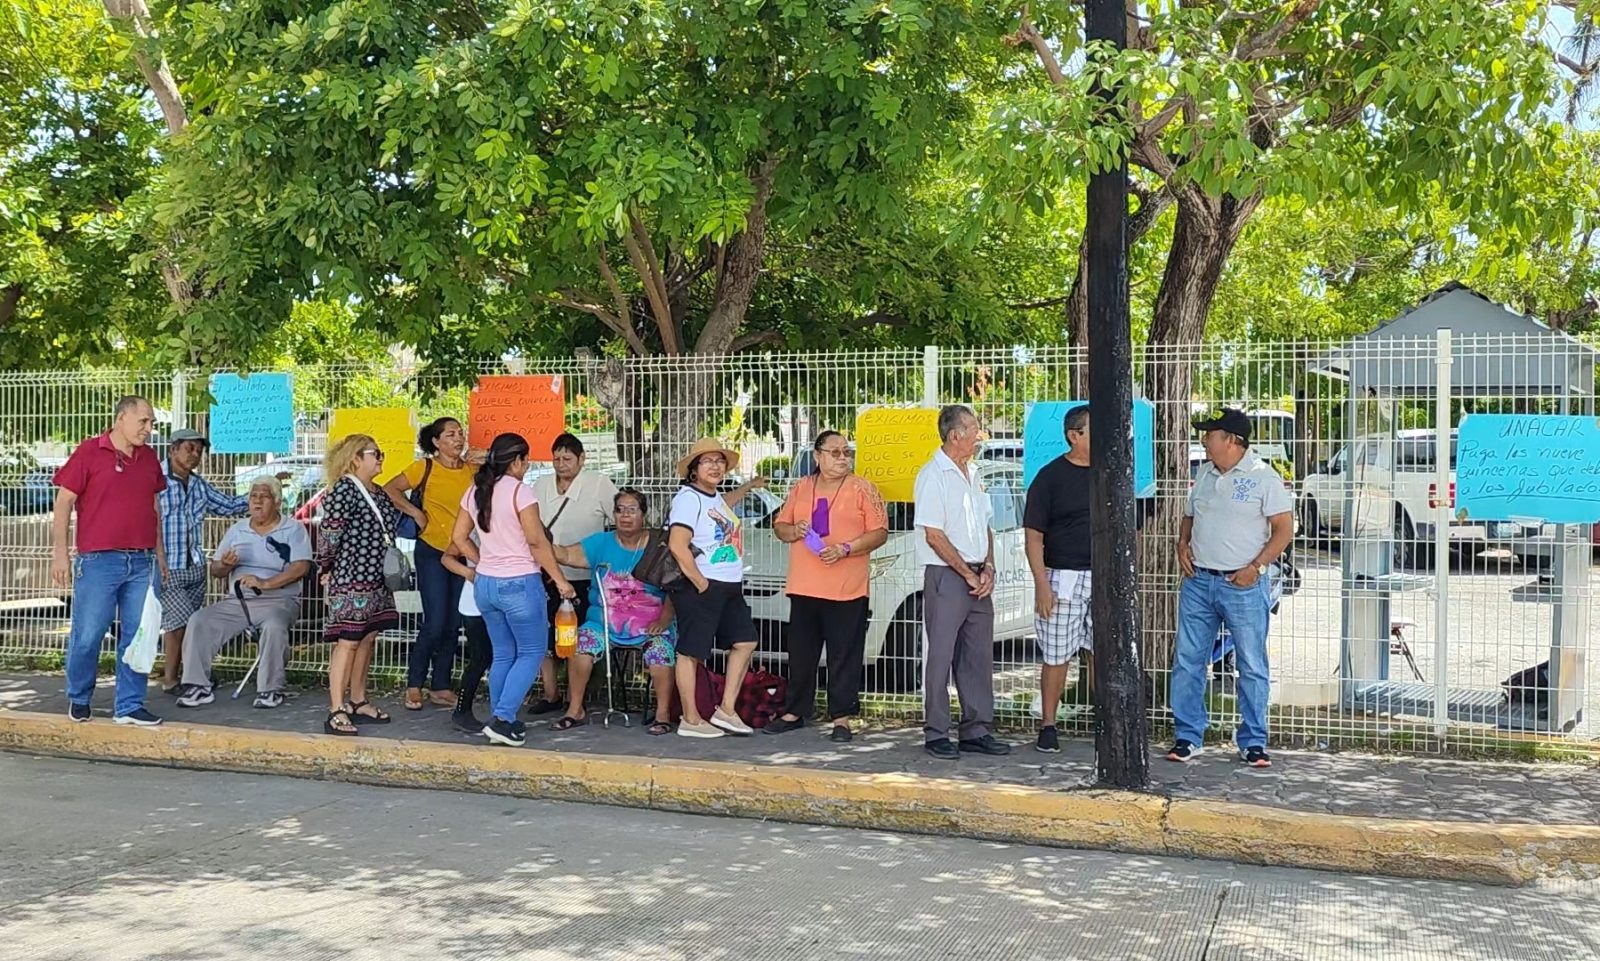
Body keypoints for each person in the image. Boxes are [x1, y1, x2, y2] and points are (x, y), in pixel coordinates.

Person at [1170, 407, 1294, 769]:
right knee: (1188, 660)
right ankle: (1188, 735)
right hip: (1198, 581)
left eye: (1210, 434)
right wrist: (1182, 544)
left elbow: (1284, 530)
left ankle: (1254, 741)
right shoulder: (1206, 474)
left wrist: (1255, 567)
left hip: (1242, 584)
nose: (1204, 440)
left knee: (1252, 663)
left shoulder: (1263, 477)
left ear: (1232, 441)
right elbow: (1190, 516)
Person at [49, 396, 169, 726]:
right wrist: (60, 554)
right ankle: (79, 696)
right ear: (121, 419)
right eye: (143, 421)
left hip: (142, 561)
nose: (149, 428)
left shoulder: (149, 459)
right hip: (99, 561)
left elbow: (154, 510)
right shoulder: (90, 451)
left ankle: (129, 705)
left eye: (151, 423)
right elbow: (63, 504)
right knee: (88, 634)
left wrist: (160, 556)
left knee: (139, 635)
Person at [451, 432, 576, 747]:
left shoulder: (475, 491)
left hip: (486, 585)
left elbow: (459, 538)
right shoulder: (522, 492)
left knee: (504, 653)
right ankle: (503, 717)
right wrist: (561, 581)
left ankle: (499, 720)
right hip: (519, 582)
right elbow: (536, 542)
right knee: (532, 651)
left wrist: (484, 561)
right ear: (518, 460)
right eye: (526, 459)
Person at [766, 431, 888, 743]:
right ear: (817, 456)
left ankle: (842, 718)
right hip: (805, 586)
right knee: (802, 654)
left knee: (844, 654)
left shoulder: (863, 489)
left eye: (847, 452)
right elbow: (780, 526)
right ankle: (795, 711)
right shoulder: (802, 487)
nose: (843, 458)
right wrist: (793, 530)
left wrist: (847, 548)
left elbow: (879, 532)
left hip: (847, 588)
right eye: (834, 452)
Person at [913, 404, 1009, 760]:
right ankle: (936, 732)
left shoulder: (975, 472)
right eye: (974, 429)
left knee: (978, 655)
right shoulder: (932, 475)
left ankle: (976, 729)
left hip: (976, 573)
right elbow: (933, 534)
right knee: (940, 654)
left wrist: (989, 567)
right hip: (947, 574)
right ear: (956, 435)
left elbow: (985, 524)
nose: (979, 435)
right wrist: (967, 573)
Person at [549, 488, 679, 735]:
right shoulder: (601, 542)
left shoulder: (659, 544)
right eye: (620, 510)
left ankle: (662, 714)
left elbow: (675, 587)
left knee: (661, 653)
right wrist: (539, 539)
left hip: (651, 623)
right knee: (581, 646)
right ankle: (574, 709)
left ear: (644, 514)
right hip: (603, 623)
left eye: (632, 510)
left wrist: (664, 620)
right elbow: (565, 554)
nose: (625, 516)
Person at [175, 476, 312, 710]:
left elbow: (302, 567)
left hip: (279, 599)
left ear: (277, 502)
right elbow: (216, 569)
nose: (257, 502)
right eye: (253, 496)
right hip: (239, 601)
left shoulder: (293, 529)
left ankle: (270, 690)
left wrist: (266, 583)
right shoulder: (237, 530)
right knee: (199, 620)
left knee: (274, 626)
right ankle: (198, 686)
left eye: (264, 497)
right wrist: (226, 566)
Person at [667, 438, 767, 739]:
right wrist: (700, 583)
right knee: (691, 652)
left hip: (729, 586)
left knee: (745, 641)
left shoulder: (713, 497)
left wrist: (748, 486)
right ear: (694, 470)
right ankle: (691, 719)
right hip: (703, 586)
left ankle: (725, 710)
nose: (715, 466)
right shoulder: (688, 498)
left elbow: (725, 505)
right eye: (707, 461)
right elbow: (677, 544)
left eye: (720, 461)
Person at [384, 417, 478, 711]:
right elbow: (390, 489)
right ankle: (414, 685)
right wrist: (417, 514)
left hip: (462, 550)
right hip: (432, 551)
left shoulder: (471, 470)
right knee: (435, 620)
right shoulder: (423, 467)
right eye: (450, 435)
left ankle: (441, 685)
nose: (458, 439)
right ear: (436, 442)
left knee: (453, 622)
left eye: (460, 433)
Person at [527, 432, 618, 716]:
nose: (561, 464)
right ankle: (551, 693)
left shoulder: (599, 484)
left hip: (584, 575)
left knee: (575, 638)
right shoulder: (540, 484)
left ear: (582, 459)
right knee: (544, 634)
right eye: (556, 459)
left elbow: (619, 521)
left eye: (567, 458)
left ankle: (575, 697)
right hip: (545, 573)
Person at [315, 434, 400, 736]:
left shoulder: (376, 491)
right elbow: (329, 533)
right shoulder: (344, 490)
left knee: (367, 639)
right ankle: (336, 709)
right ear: (355, 458)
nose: (380, 458)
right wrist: (325, 566)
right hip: (352, 578)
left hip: (377, 578)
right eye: (375, 453)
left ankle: (358, 699)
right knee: (348, 641)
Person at [156, 428, 250, 696]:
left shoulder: (198, 485)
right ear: (173, 449)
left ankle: (178, 676)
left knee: (179, 625)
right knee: (184, 621)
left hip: (195, 567)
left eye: (199, 450)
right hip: (167, 566)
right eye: (189, 449)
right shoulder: (154, 480)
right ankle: (180, 678)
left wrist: (257, 493)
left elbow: (229, 505)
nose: (194, 455)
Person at [1022, 405, 1093, 755]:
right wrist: (1041, 584)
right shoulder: (1049, 477)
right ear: (1074, 435)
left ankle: (1105, 719)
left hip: (1104, 578)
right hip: (1062, 576)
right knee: (1057, 653)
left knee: (1102, 650)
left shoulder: (1111, 474)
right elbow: (1033, 535)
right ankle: (1048, 724)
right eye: (1093, 430)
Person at [440, 540, 493, 733]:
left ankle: (500, 711)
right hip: (475, 600)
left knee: (500, 656)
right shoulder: (470, 532)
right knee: (481, 658)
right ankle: (462, 710)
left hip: (501, 597)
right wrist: (468, 573)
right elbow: (447, 558)